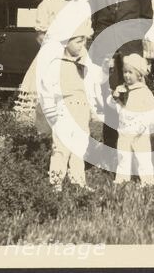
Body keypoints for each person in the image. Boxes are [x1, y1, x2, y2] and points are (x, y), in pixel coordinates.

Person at [88, 0, 154, 150]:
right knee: (109, 99)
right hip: (106, 52)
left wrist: (129, 39)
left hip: (130, 52)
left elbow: (147, 17)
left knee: (132, 97)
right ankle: (111, 149)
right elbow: (95, 19)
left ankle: (135, 148)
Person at [15, 0, 87, 136]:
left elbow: (84, 35)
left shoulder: (82, 5)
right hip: (53, 57)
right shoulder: (49, 3)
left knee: (73, 100)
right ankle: (46, 141)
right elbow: (40, 35)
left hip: (75, 58)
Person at [38, 22, 96, 191]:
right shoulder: (55, 64)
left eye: (84, 41)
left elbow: (90, 87)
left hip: (81, 109)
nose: (82, 45)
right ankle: (56, 182)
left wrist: (92, 109)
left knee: (80, 146)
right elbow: (47, 88)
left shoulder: (85, 63)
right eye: (78, 41)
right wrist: (50, 110)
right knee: (61, 147)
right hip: (63, 109)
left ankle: (78, 179)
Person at [107, 54, 154, 185]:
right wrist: (115, 98)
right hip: (124, 130)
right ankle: (122, 179)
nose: (126, 75)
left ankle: (147, 182)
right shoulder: (123, 89)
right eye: (124, 72)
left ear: (139, 75)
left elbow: (152, 110)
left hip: (140, 131)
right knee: (123, 155)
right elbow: (116, 107)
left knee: (143, 157)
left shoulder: (144, 91)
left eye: (130, 72)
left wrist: (144, 124)